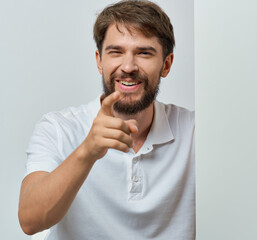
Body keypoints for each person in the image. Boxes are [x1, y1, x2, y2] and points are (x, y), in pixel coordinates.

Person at [18, 1, 195, 239]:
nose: (129, 66)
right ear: (100, 61)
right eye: (116, 52)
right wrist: (88, 151)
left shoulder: (195, 131)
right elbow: (30, 221)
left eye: (144, 53)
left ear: (166, 64)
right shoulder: (59, 128)